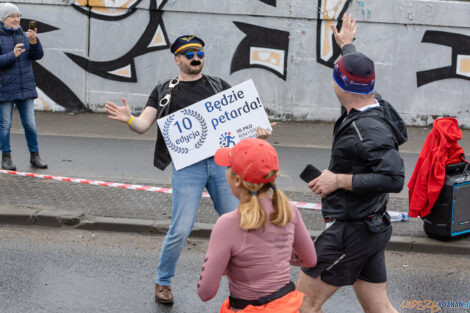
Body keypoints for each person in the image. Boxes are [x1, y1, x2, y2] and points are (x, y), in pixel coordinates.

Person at [105, 35, 272, 304]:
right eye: (189, 54)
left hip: (223, 165)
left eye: (199, 54)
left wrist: (258, 133)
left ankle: (246, 283)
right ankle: (163, 282)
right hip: (188, 168)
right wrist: (129, 119)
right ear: (177, 59)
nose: (196, 58)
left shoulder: (218, 85)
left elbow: (245, 123)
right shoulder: (164, 90)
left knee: (240, 223)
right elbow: (143, 124)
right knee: (181, 228)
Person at [296, 14, 407, 313]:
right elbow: (356, 72)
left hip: (352, 231)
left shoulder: (366, 130)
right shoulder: (374, 101)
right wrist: (348, 47)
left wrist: (338, 181)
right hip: (372, 225)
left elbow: (395, 178)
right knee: (379, 308)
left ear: (341, 84)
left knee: (303, 304)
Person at [197, 138, 317, 313]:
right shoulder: (289, 210)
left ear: (237, 180)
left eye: (227, 166)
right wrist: (276, 254)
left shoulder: (228, 223)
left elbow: (205, 292)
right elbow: (309, 259)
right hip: (286, 307)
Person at [0, 2, 47, 170]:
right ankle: (6, 158)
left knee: (30, 124)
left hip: (25, 87)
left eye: (18, 16)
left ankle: (35, 156)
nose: (16, 19)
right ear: (3, 19)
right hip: (5, 88)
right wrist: (12, 55)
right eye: (12, 16)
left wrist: (34, 41)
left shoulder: (25, 36)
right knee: (5, 124)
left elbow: (38, 55)